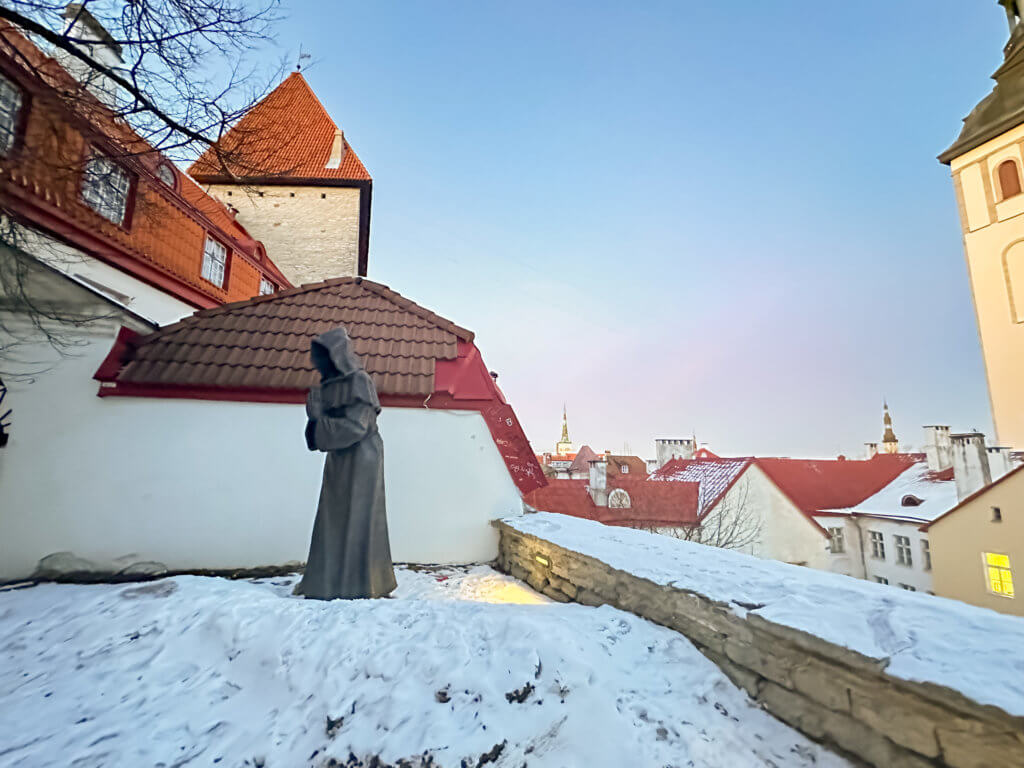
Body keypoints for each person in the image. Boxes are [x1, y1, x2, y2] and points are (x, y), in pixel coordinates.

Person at [294, 327, 397, 600]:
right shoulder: (330, 385)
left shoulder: (359, 382)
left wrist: (319, 418)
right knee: (333, 518)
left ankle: (362, 583)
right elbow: (327, 426)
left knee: (359, 518)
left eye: (323, 357)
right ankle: (327, 582)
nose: (318, 364)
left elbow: (357, 426)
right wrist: (317, 420)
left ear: (336, 356)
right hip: (340, 457)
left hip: (362, 457)